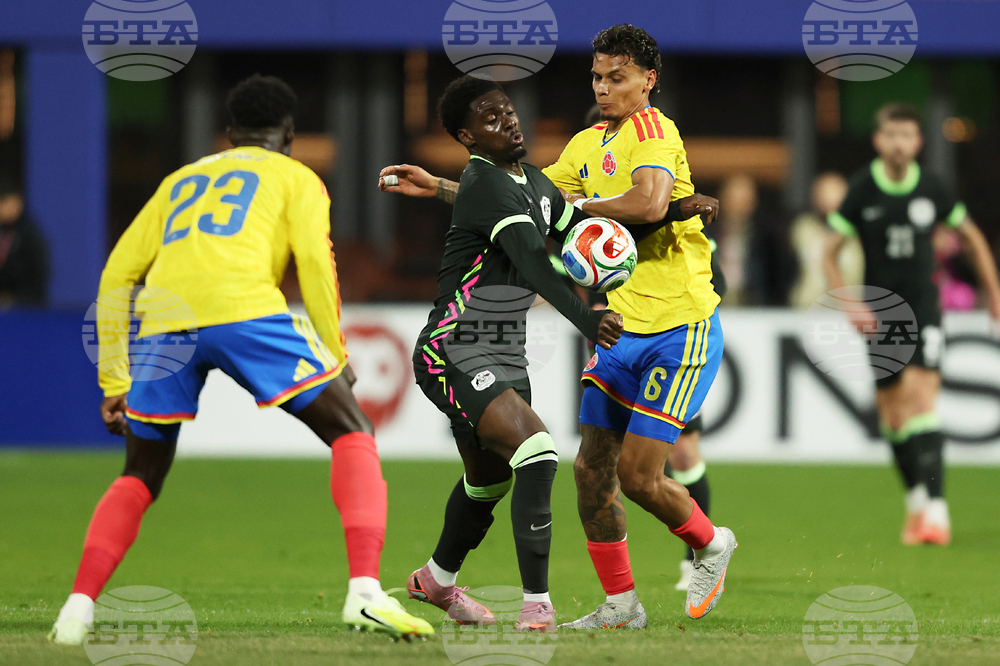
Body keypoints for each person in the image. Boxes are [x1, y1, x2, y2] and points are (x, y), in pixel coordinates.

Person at [49, 75, 434, 646]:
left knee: (139, 475)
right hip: (244, 312)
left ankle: (75, 612)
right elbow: (315, 263)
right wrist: (335, 351)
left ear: (229, 134)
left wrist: (114, 379)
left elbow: (117, 274)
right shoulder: (296, 177)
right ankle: (364, 592)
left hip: (165, 327)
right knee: (353, 431)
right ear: (290, 135)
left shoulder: (179, 181)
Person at [383, 24, 736, 629]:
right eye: (597, 76)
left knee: (638, 476)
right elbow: (516, 193)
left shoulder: (654, 130)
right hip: (620, 329)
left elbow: (647, 204)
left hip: (678, 326)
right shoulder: (585, 144)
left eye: (617, 77)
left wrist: (586, 212)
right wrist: (443, 187)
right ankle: (621, 605)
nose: (603, 87)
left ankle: (711, 543)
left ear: (647, 80)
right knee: (589, 470)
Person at [823, 103, 1000, 547]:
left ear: (918, 143)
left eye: (906, 136)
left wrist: (993, 292)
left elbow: (972, 238)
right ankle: (918, 500)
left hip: (924, 308)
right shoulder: (862, 189)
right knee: (893, 417)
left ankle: (937, 512)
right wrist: (850, 305)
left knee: (922, 399)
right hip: (881, 313)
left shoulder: (933, 186)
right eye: (891, 135)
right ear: (878, 141)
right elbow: (828, 253)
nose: (899, 144)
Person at [789, 172, 863, 309]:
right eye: (824, 194)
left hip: (851, 308)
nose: (832, 201)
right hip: (808, 307)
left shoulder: (860, 229)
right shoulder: (804, 227)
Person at [0, 178, 49, 307]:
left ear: (18, 200)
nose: (1, 208)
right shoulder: (3, 232)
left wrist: (15, 299)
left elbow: (37, 281)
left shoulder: (30, 236)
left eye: (4, 201)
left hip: (25, 309)